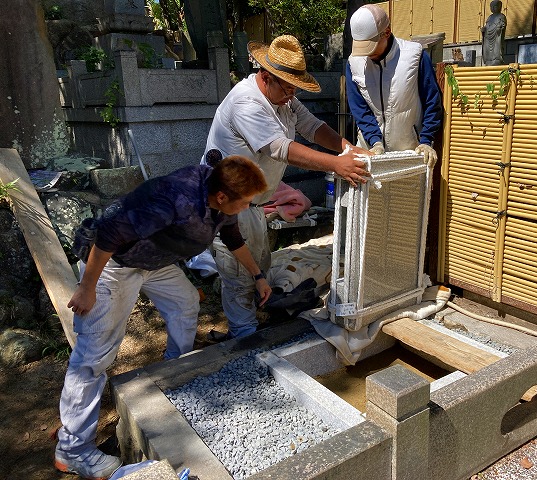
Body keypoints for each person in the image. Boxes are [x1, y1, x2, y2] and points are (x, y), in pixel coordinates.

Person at [54, 154, 270, 480]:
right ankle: (71, 450)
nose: (247, 208)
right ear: (223, 196)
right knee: (95, 355)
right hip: (114, 263)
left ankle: (172, 375)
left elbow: (232, 237)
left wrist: (258, 275)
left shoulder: (220, 200)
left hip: (152, 262)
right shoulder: (174, 198)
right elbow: (108, 235)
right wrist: (87, 287)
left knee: (184, 303)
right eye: (245, 203)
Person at [202, 34, 371, 340]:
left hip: (250, 203)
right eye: (288, 86)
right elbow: (280, 148)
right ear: (266, 77)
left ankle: (252, 323)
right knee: (239, 275)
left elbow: (313, 127)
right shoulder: (246, 102)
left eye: (296, 87)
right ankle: (245, 342)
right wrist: (336, 165)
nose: (292, 94)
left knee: (259, 266)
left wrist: (345, 147)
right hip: (226, 203)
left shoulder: (284, 97)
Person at [346, 4, 443, 166]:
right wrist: (375, 141)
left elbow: (432, 102)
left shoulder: (415, 56)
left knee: (406, 192)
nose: (367, 54)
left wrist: (426, 140)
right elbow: (359, 109)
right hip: (370, 149)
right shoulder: (353, 63)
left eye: (371, 46)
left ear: (387, 32)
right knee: (370, 191)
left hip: (410, 151)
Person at [481, 0, 507, 66]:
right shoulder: (490, 17)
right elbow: (487, 25)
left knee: (497, 46)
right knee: (486, 47)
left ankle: (497, 59)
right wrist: (484, 29)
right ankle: (488, 59)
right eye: (491, 7)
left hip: (496, 35)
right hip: (488, 36)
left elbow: (503, 25)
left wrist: (500, 27)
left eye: (494, 6)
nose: (492, 8)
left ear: (499, 7)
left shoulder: (501, 16)